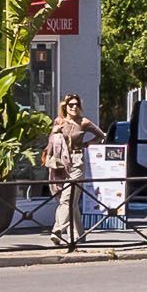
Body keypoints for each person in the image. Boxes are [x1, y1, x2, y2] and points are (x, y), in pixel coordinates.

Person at [43, 95, 101, 248]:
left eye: (76, 104)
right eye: (70, 105)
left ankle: (57, 231)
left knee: (67, 198)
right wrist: (54, 133)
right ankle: (79, 235)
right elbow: (51, 142)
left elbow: (101, 135)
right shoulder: (59, 121)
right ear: (65, 106)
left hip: (77, 162)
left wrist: (87, 144)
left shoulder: (84, 122)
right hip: (60, 163)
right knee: (72, 202)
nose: (73, 107)